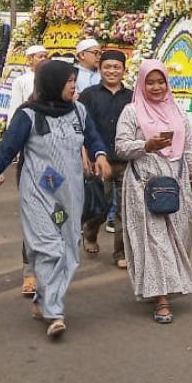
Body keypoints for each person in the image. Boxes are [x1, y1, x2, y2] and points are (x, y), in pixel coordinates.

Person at [0, 60, 111, 339]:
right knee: (49, 247)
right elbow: (6, 150)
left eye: (74, 81)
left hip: (67, 198)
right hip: (39, 194)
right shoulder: (28, 116)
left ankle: (43, 300)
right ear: (52, 84)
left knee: (67, 248)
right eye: (69, 81)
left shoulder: (79, 112)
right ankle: (54, 311)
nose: (74, 86)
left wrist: (101, 156)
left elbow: (93, 138)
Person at [116, 60, 192, 324]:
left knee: (175, 235)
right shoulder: (132, 112)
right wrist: (146, 144)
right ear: (141, 83)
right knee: (155, 238)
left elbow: (190, 148)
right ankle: (161, 300)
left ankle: (163, 284)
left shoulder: (177, 111)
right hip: (144, 185)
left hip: (176, 184)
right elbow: (121, 147)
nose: (156, 87)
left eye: (161, 82)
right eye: (150, 82)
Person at [78, 49, 133, 267]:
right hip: (98, 161)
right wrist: (85, 155)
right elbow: (80, 128)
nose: (112, 71)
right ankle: (90, 232)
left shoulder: (131, 98)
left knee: (124, 210)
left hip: (125, 161)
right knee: (101, 207)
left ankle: (121, 253)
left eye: (116, 67)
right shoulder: (89, 95)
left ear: (123, 71)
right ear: (100, 69)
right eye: (107, 67)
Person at [8, 44, 49, 296]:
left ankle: (53, 270)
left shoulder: (72, 109)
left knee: (59, 219)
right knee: (35, 218)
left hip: (61, 177)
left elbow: (86, 138)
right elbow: (11, 137)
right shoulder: (27, 111)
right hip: (32, 171)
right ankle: (30, 272)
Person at [8, 45, 49, 114]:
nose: (44, 59)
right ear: (30, 59)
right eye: (40, 57)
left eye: (45, 57)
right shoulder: (21, 80)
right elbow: (15, 106)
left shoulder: (51, 77)